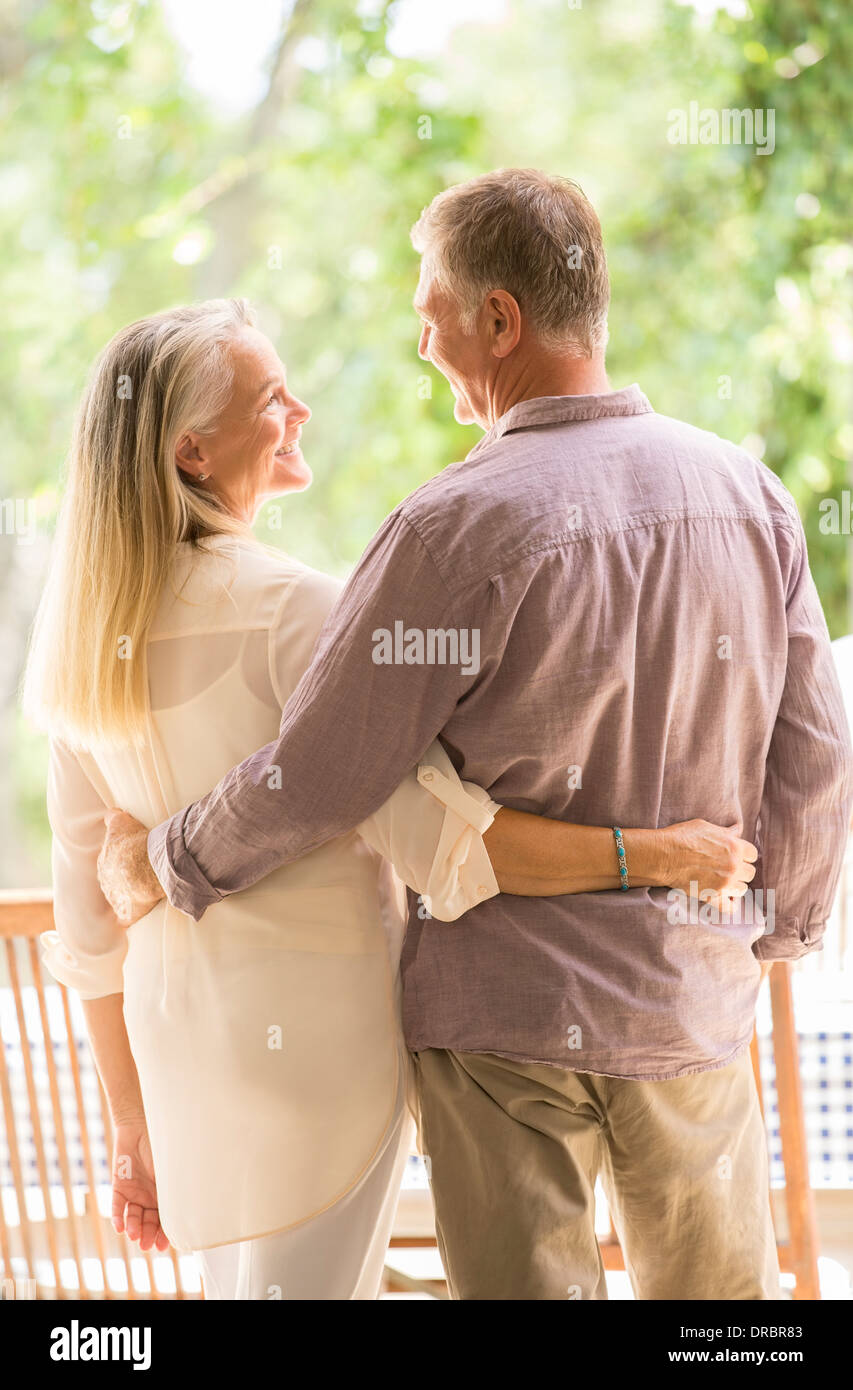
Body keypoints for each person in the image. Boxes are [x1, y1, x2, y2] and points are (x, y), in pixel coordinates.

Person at [97, 169, 853, 1302]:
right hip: (689, 1002)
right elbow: (813, 752)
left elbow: (320, 771)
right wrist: (769, 931)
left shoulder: (451, 527)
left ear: (498, 319)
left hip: (505, 1029)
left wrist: (167, 860)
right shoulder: (748, 496)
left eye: (429, 312)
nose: (421, 340)